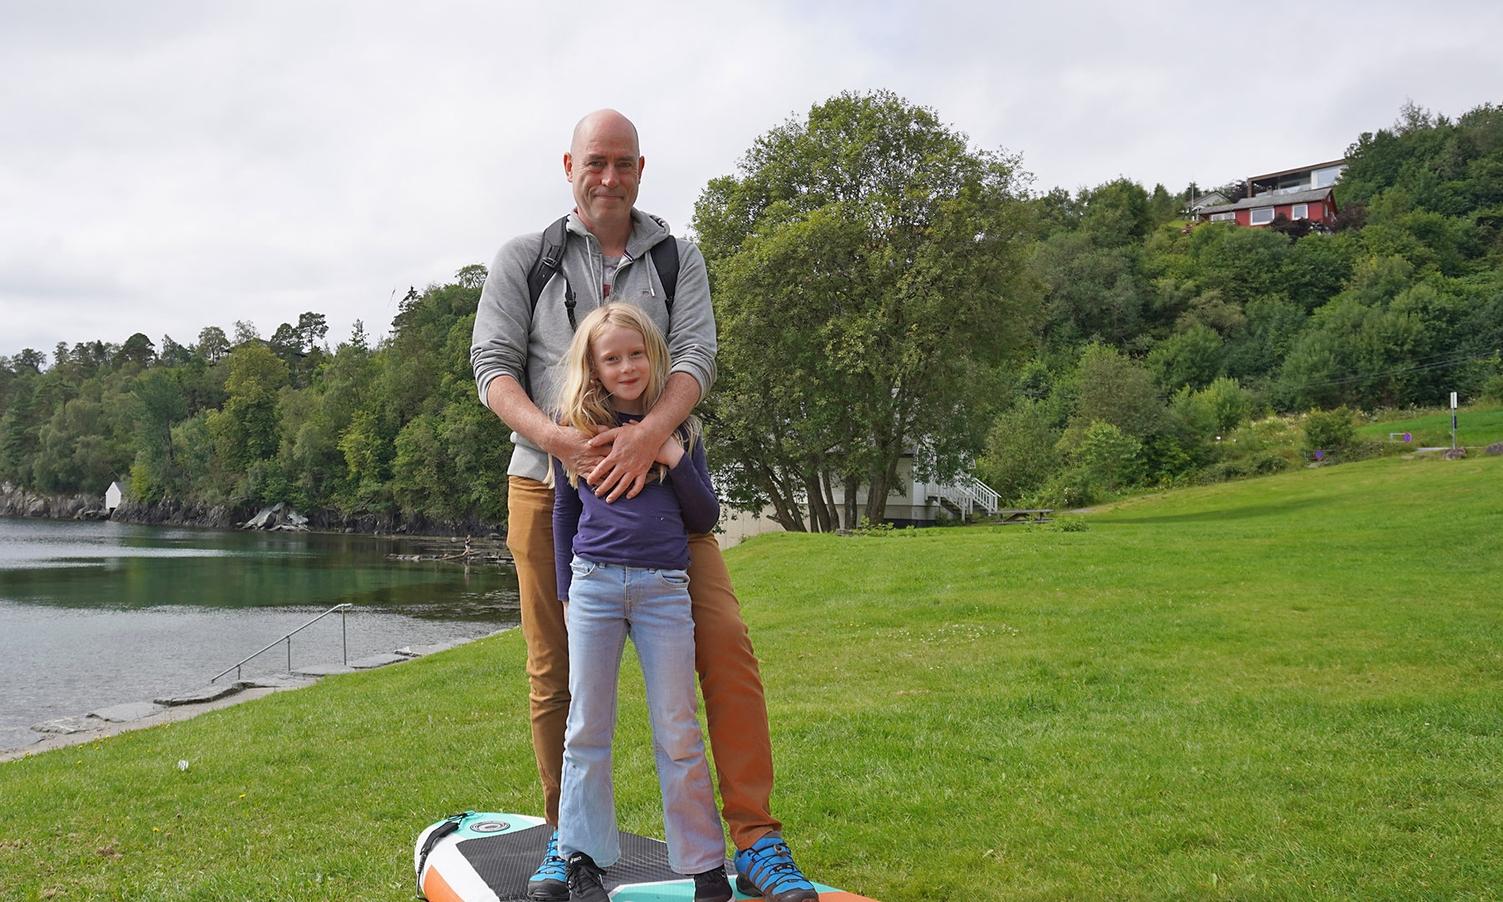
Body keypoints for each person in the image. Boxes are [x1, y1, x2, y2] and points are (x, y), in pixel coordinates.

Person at [470, 109, 818, 902]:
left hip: (665, 490)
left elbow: (695, 354)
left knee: (726, 646)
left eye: (623, 163)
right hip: (552, 485)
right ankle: (568, 841)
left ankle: (757, 844)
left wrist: (651, 434)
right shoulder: (524, 260)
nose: (609, 177)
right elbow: (491, 366)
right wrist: (560, 441)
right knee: (555, 673)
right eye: (596, 161)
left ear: (639, 170)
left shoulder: (676, 257)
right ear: (569, 166)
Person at [550, 303, 728, 902]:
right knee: (586, 728)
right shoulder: (574, 428)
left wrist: (672, 457)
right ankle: (583, 860)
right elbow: (565, 512)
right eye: (612, 358)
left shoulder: (683, 431)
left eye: (636, 354)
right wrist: (566, 593)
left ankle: (704, 866)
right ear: (594, 368)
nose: (626, 367)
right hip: (594, 586)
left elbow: (705, 516)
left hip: (663, 593)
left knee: (678, 727)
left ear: (653, 356)